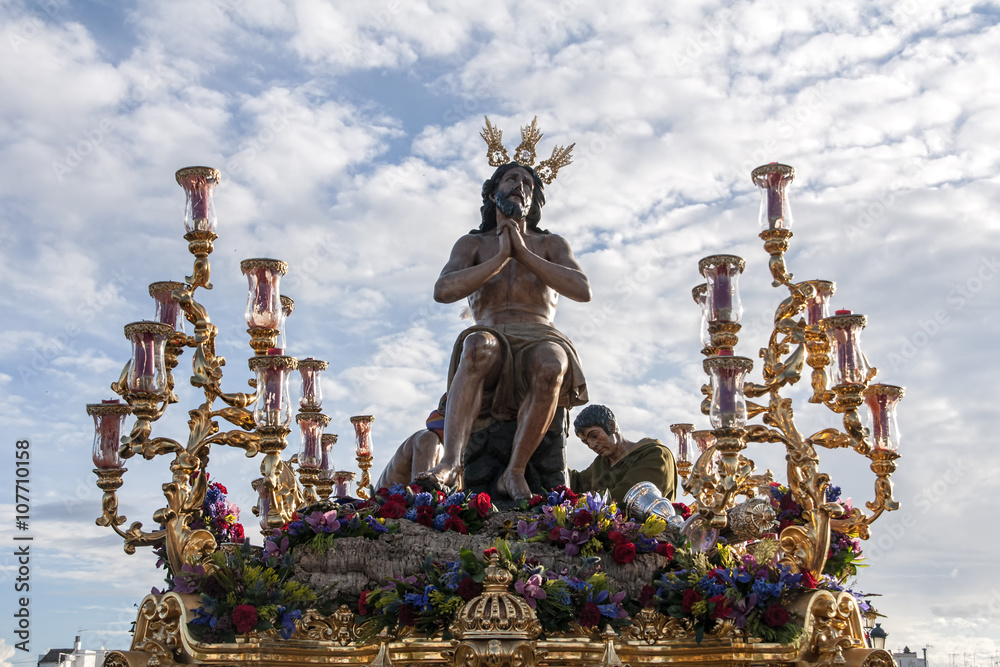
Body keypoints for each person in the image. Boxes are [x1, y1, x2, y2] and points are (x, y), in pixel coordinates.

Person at [418, 150, 591, 500]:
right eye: (511, 179)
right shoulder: (473, 244)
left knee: (552, 364)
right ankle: (451, 463)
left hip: (539, 332)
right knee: (477, 346)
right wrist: (499, 257)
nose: (520, 186)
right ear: (492, 191)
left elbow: (582, 289)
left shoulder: (550, 244)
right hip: (491, 329)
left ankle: (514, 472)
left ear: (534, 200)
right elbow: (443, 290)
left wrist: (522, 252)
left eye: (527, 183)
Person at [569, 404, 677, 504]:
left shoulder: (655, 455)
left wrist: (583, 503)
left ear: (611, 426)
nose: (592, 445)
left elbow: (628, 498)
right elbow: (574, 482)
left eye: (594, 436)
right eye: (586, 442)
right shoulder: (600, 464)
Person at [374, 394, 447, 489]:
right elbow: (421, 491)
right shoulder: (428, 439)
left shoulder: (452, 451)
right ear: (442, 409)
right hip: (389, 502)